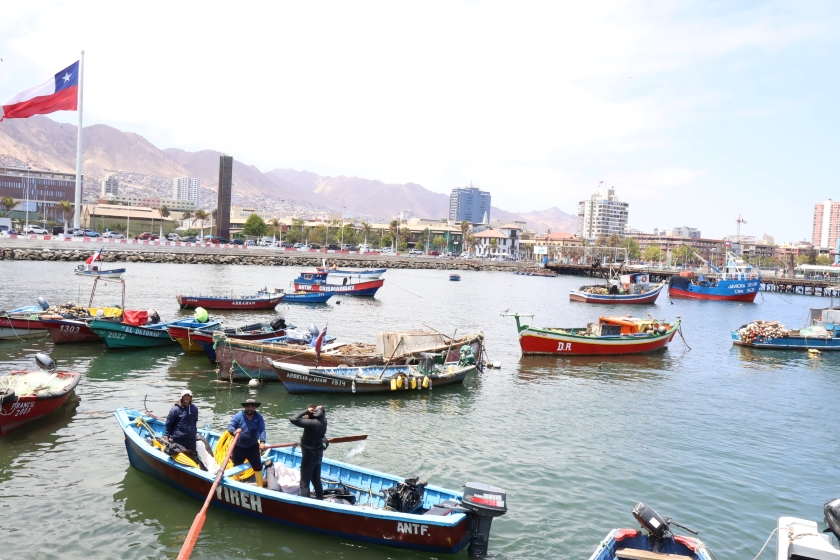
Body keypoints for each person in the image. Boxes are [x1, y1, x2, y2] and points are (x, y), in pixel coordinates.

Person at [290, 404, 327, 499]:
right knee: (316, 481)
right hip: (318, 455)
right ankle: (320, 501)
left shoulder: (311, 423)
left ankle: (305, 505)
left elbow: (293, 419)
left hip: (309, 457)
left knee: (304, 483)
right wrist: (319, 409)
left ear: (309, 414)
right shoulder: (323, 420)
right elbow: (322, 413)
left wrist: (306, 411)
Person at [227, 398, 267, 487]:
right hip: (239, 447)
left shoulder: (259, 418)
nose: (250, 409)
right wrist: (234, 432)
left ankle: (260, 486)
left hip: (252, 447)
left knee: (258, 466)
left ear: (255, 408)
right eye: (248, 406)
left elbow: (262, 430)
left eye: (252, 407)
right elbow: (230, 426)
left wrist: (262, 442)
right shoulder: (238, 416)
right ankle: (235, 484)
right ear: (245, 407)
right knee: (237, 466)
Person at [164, 390, 199, 454]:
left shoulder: (194, 408)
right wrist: (167, 435)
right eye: (185, 396)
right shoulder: (175, 410)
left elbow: (195, 421)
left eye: (189, 396)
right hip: (179, 438)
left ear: (191, 397)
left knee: (193, 455)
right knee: (179, 456)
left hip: (191, 438)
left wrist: (194, 432)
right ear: (182, 397)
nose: (187, 397)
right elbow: (169, 423)